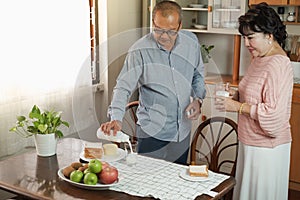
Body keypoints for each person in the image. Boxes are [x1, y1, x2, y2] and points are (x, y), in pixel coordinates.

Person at [100, 0, 206, 165]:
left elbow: (198, 75)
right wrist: (117, 118)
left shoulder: (191, 42)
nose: (164, 36)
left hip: (182, 130)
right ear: (152, 23)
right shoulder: (139, 50)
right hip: (152, 132)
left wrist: (198, 99)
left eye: (170, 31)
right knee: (148, 183)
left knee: (176, 181)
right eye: (158, 30)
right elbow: (123, 87)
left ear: (179, 26)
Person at [215, 3, 293, 200]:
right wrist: (237, 98)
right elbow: (255, 95)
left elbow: (274, 116)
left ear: (269, 35)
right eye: (244, 38)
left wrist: (239, 107)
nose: (246, 44)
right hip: (251, 143)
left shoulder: (278, 64)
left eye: (250, 38)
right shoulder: (259, 58)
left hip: (267, 150)